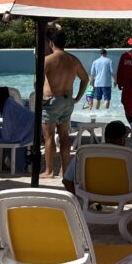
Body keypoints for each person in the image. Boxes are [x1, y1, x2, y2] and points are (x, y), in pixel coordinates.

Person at [63, 120, 132, 202]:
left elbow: (67, 181)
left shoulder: (85, 153)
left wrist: (82, 200)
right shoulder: (130, 157)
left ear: (105, 137)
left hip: (91, 197)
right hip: (125, 199)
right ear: (122, 140)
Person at [41, 29, 89, 179]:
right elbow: (85, 79)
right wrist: (77, 98)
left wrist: (41, 98)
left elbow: (37, 82)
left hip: (52, 100)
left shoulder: (48, 60)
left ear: (51, 43)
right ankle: (65, 170)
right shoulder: (73, 60)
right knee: (64, 136)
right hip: (67, 100)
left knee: (48, 137)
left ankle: (49, 171)